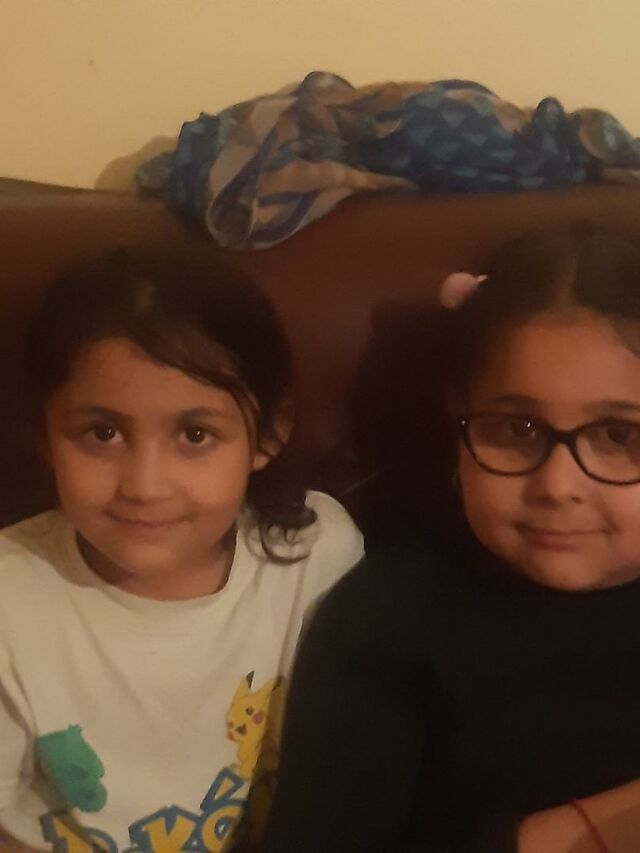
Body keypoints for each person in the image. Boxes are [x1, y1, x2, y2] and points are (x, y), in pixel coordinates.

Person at [263, 226, 640, 853]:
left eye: (620, 436)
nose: (557, 486)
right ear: (458, 414)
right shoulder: (390, 615)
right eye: (516, 429)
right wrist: (594, 828)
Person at [0, 248, 363, 853]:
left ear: (268, 433)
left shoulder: (316, 552)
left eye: (195, 434)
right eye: (102, 433)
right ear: (45, 434)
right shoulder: (11, 599)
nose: (145, 486)